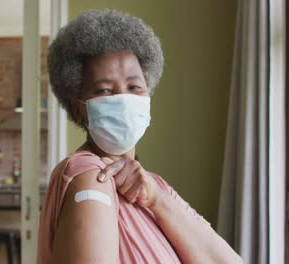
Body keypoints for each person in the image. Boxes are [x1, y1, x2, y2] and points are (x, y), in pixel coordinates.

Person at [38, 9, 243, 264]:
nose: (123, 100)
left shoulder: (154, 187)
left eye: (134, 87)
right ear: (78, 108)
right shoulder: (90, 178)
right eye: (104, 90)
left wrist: (158, 199)